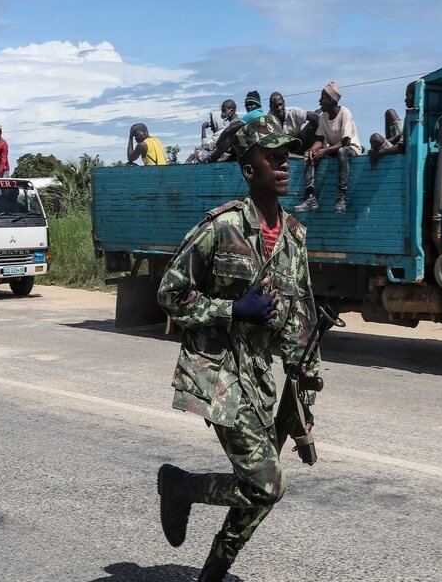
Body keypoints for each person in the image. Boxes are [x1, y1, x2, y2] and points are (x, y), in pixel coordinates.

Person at [156, 114, 322, 581]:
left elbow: (301, 322)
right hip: (217, 374)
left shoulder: (294, 237)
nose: (285, 165)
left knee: (259, 488)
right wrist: (231, 310)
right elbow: (170, 293)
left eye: (286, 157)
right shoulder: (221, 228)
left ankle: (210, 565)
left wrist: (304, 402)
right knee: (267, 485)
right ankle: (183, 489)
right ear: (249, 171)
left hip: (259, 380)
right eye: (272, 159)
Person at [294, 81, 362, 214]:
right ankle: (310, 197)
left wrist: (325, 150)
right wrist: (313, 150)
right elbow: (319, 140)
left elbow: (345, 142)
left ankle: (342, 197)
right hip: (333, 149)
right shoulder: (324, 116)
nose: (319, 101)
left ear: (331, 100)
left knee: (342, 151)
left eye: (322, 98)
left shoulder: (345, 113)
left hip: (351, 149)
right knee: (309, 153)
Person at [369, 80, 416, 167]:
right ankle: (386, 144)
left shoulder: (413, 116)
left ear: (414, 97)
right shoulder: (413, 114)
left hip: (399, 148)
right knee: (390, 112)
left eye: (407, 96)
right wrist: (390, 140)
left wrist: (379, 152)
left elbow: (400, 148)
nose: (405, 100)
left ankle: (385, 146)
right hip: (399, 142)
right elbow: (403, 134)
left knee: (375, 138)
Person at [268, 91, 319, 158]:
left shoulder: (293, 112)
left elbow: (316, 117)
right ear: (271, 107)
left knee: (318, 113)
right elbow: (276, 148)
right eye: (276, 106)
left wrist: (321, 141)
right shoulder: (268, 122)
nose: (280, 108)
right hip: (284, 150)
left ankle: (316, 148)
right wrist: (301, 158)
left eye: (281, 104)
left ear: (284, 102)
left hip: (300, 143)